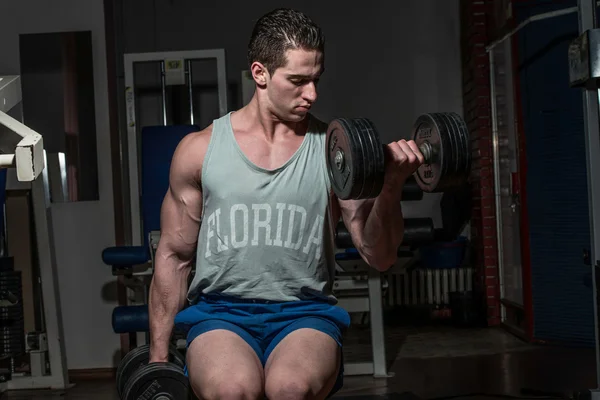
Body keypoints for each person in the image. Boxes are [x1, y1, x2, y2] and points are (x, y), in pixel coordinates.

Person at [147, 7, 424, 400]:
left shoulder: (335, 151)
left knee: (289, 389)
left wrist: (392, 186)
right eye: (297, 81)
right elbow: (174, 257)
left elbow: (378, 255)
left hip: (305, 314)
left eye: (316, 80)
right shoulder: (199, 150)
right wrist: (158, 362)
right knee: (232, 390)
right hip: (220, 313)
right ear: (260, 73)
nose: (312, 94)